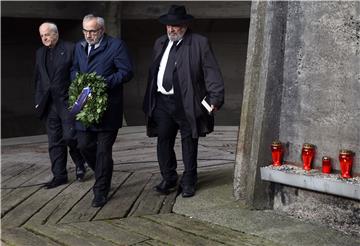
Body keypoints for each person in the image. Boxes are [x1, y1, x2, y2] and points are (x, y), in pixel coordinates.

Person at [143, 5, 224, 198]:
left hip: (187, 101)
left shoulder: (199, 43)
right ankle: (169, 177)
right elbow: (155, 71)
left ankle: (189, 180)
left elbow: (211, 71)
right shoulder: (160, 42)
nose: (171, 29)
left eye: (176, 26)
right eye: (169, 25)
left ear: (185, 25)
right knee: (163, 139)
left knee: (189, 141)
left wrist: (215, 97)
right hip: (162, 101)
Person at [71, 14, 133, 207]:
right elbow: (73, 68)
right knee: (83, 145)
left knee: (103, 152)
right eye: (85, 31)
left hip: (108, 109)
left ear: (102, 30)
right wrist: (79, 80)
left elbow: (126, 72)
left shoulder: (116, 46)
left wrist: (103, 83)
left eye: (93, 31)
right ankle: (103, 172)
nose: (88, 35)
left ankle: (100, 191)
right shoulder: (79, 47)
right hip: (84, 104)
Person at [34, 22, 86, 189]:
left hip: (67, 102)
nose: (45, 38)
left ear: (56, 33)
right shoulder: (40, 52)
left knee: (71, 137)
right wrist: (38, 100)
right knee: (54, 142)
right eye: (42, 35)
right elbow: (38, 79)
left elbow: (79, 74)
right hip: (49, 105)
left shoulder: (71, 48)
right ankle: (59, 176)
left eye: (47, 34)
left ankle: (80, 163)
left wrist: (79, 100)